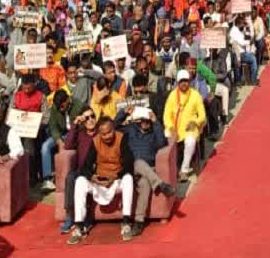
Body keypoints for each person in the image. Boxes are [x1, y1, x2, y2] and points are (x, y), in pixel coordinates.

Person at [67, 116, 137, 244]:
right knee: (80, 181)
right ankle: (78, 226)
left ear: (114, 129)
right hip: (100, 180)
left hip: (116, 179)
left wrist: (115, 177)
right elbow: (85, 166)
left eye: (109, 132)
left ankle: (126, 222)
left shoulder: (122, 138)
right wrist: (93, 178)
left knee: (128, 178)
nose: (107, 136)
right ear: (100, 133)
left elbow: (128, 164)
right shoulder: (95, 142)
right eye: (103, 134)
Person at [121, 106, 176, 238]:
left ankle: (139, 221)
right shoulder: (131, 130)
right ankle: (160, 184)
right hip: (132, 167)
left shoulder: (154, 133)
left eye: (148, 121)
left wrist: (156, 122)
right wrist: (123, 113)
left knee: (145, 183)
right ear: (139, 120)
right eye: (143, 120)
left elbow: (163, 143)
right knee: (138, 162)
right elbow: (115, 125)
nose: (145, 123)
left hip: (148, 171)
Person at [163, 70, 205, 182]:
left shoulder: (195, 95)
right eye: (181, 81)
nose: (184, 84)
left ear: (189, 82)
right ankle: (172, 168)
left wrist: (195, 122)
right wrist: (171, 127)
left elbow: (202, 115)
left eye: (186, 81)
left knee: (190, 141)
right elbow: (166, 114)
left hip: (189, 128)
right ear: (177, 83)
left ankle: (184, 170)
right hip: (174, 127)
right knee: (167, 135)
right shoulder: (172, 95)